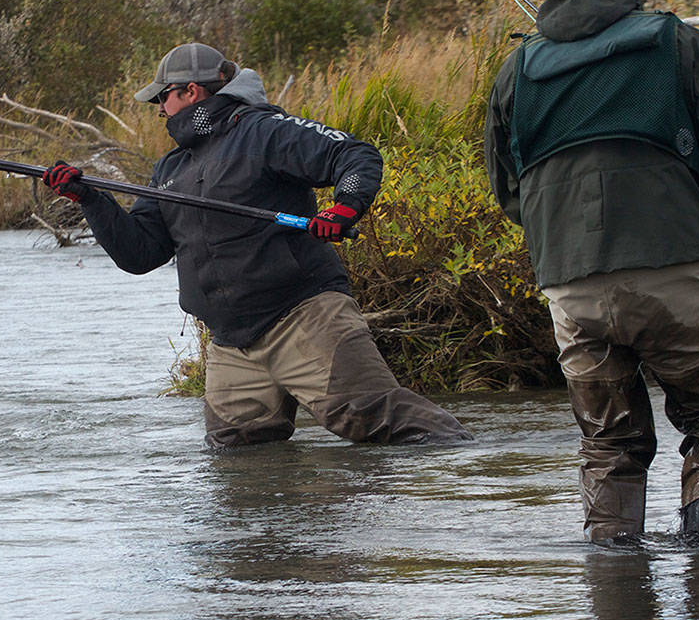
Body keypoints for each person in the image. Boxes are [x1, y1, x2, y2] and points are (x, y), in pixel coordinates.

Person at [483, 0, 699, 541]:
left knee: (609, 444)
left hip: (570, 288)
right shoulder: (674, 41)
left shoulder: (517, 72)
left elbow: (511, 194)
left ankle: (615, 592)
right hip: (675, 268)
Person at [44, 42, 473, 448]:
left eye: (163, 98)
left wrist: (344, 209)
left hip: (303, 318)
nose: (159, 109)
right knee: (239, 460)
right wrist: (91, 200)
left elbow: (354, 154)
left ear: (191, 91)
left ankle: (475, 470)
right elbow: (139, 255)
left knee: (371, 416)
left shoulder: (262, 131)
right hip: (230, 344)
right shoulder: (170, 169)